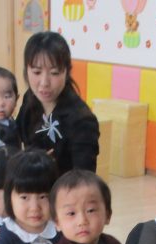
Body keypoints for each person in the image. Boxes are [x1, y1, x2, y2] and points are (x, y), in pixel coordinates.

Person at [16, 31, 99, 174]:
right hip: (31, 190)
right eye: (36, 72)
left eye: (54, 73)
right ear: (26, 70)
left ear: (67, 72)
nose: (44, 83)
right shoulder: (30, 99)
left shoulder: (82, 120)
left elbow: (84, 178)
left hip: (64, 193)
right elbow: (15, 138)